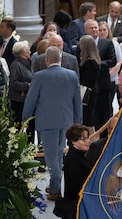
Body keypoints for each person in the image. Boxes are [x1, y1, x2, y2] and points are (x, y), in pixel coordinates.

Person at [23, 47, 82, 200]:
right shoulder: (72, 75)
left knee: (51, 157)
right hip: (66, 121)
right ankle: (53, 184)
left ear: (46, 60)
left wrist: (25, 120)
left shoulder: (39, 76)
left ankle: (56, 190)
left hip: (47, 121)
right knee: (58, 155)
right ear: (60, 59)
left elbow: (31, 101)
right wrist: (78, 123)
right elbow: (77, 102)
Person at [83, 19, 117, 130]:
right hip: (88, 87)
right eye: (91, 28)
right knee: (88, 117)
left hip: (103, 85)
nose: (94, 30)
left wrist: (96, 64)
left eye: (95, 27)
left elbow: (112, 60)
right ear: (85, 30)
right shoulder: (82, 44)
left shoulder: (107, 43)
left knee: (103, 115)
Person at [7, 41, 33, 138]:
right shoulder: (16, 65)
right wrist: (27, 85)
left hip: (27, 99)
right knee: (18, 125)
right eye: (28, 50)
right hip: (18, 101)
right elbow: (13, 83)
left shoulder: (27, 63)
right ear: (23, 52)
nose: (30, 52)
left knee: (30, 124)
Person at [77, 35, 101, 128]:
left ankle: (89, 139)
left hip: (87, 93)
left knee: (87, 119)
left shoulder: (89, 62)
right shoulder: (94, 60)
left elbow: (86, 80)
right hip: (91, 91)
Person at [97, 21, 122, 108]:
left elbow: (119, 61)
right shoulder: (95, 43)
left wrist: (109, 74)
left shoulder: (114, 44)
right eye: (100, 30)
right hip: (98, 78)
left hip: (111, 79)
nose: (102, 32)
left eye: (104, 30)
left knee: (108, 105)